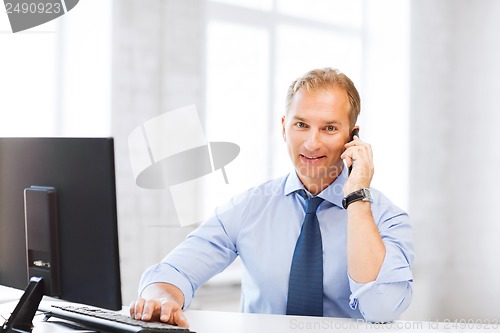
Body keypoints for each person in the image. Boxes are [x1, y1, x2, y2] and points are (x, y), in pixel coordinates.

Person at [129, 68, 414, 328]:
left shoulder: (386, 217)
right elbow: (175, 270)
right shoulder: (249, 207)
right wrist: (161, 298)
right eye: (301, 125)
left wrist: (357, 198)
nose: (312, 143)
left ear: (352, 137)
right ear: (283, 127)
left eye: (329, 128)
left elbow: (382, 308)